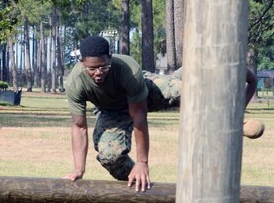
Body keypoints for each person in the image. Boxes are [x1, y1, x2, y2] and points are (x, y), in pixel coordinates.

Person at [65, 34, 262, 191]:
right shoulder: (76, 82)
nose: (98, 72)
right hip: (111, 111)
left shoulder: (127, 69)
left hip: (147, 92)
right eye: (92, 69)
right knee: (110, 157)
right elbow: (79, 126)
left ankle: (229, 118)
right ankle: (141, 185)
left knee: (191, 91)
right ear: (82, 62)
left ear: (111, 57)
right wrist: (79, 168)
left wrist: (143, 161)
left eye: (104, 66)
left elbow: (139, 118)